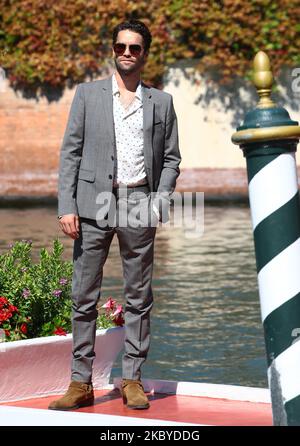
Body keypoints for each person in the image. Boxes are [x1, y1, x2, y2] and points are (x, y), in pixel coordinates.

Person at [48, 19, 181, 411]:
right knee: (83, 295)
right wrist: (66, 205)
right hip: (91, 204)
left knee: (139, 297)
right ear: (113, 50)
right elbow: (70, 152)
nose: (127, 52)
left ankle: (132, 379)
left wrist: (160, 199)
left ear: (145, 54)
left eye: (135, 48)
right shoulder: (87, 95)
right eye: (121, 46)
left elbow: (172, 158)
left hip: (140, 200)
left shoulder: (162, 102)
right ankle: (80, 382)